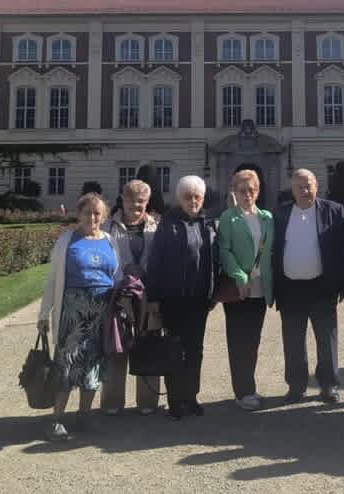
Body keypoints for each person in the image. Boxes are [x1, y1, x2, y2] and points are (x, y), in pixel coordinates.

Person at [37, 193, 118, 439]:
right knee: (67, 364)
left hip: (101, 312)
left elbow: (117, 275)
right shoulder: (67, 241)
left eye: (97, 213)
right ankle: (56, 419)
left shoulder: (110, 241)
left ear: (104, 216)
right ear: (79, 214)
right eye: (87, 212)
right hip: (73, 313)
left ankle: (84, 415)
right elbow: (53, 279)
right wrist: (44, 313)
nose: (92, 217)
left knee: (94, 365)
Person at [144, 175, 219, 419]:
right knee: (174, 349)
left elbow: (214, 261)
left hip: (199, 299)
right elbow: (155, 262)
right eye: (188, 197)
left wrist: (213, 292)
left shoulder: (208, 224)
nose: (193, 201)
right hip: (173, 298)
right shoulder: (168, 224)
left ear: (203, 199)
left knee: (195, 350)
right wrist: (153, 297)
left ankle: (191, 397)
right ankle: (176, 400)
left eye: (197, 197)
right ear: (179, 199)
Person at [271, 169, 344, 404]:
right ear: (292, 190)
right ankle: (296, 386)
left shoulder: (333, 210)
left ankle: (329, 385)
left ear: (317, 186)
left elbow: (342, 248)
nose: (305, 191)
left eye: (308, 186)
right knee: (293, 341)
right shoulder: (280, 214)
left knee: (326, 339)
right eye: (300, 187)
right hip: (289, 288)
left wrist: (341, 283)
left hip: (322, 286)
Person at [100, 179, 161, 416]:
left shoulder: (156, 226)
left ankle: (147, 401)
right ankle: (112, 401)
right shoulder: (108, 226)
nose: (136, 205)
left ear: (147, 201)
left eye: (141, 201)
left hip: (148, 295)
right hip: (119, 296)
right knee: (117, 347)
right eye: (131, 200)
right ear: (122, 199)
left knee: (149, 345)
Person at [217, 169, 275, 410]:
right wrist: (240, 277)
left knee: (253, 341)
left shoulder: (267, 217)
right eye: (242, 191)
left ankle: (247, 386)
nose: (247, 194)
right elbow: (224, 251)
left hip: (261, 288)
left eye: (251, 190)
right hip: (239, 289)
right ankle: (243, 391)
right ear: (235, 192)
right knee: (237, 341)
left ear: (258, 191)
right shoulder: (228, 217)